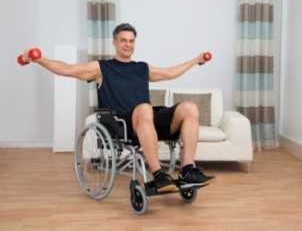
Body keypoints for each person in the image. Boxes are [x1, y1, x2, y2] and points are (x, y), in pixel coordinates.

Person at [22, 23, 214, 193]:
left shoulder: (141, 67)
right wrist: (40, 59)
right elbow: (67, 69)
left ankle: (188, 169)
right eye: (123, 40)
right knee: (144, 108)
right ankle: (158, 174)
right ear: (114, 42)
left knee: (189, 107)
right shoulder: (101, 68)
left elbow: (170, 72)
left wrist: (194, 61)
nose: (127, 45)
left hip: (148, 120)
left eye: (131, 41)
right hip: (123, 124)